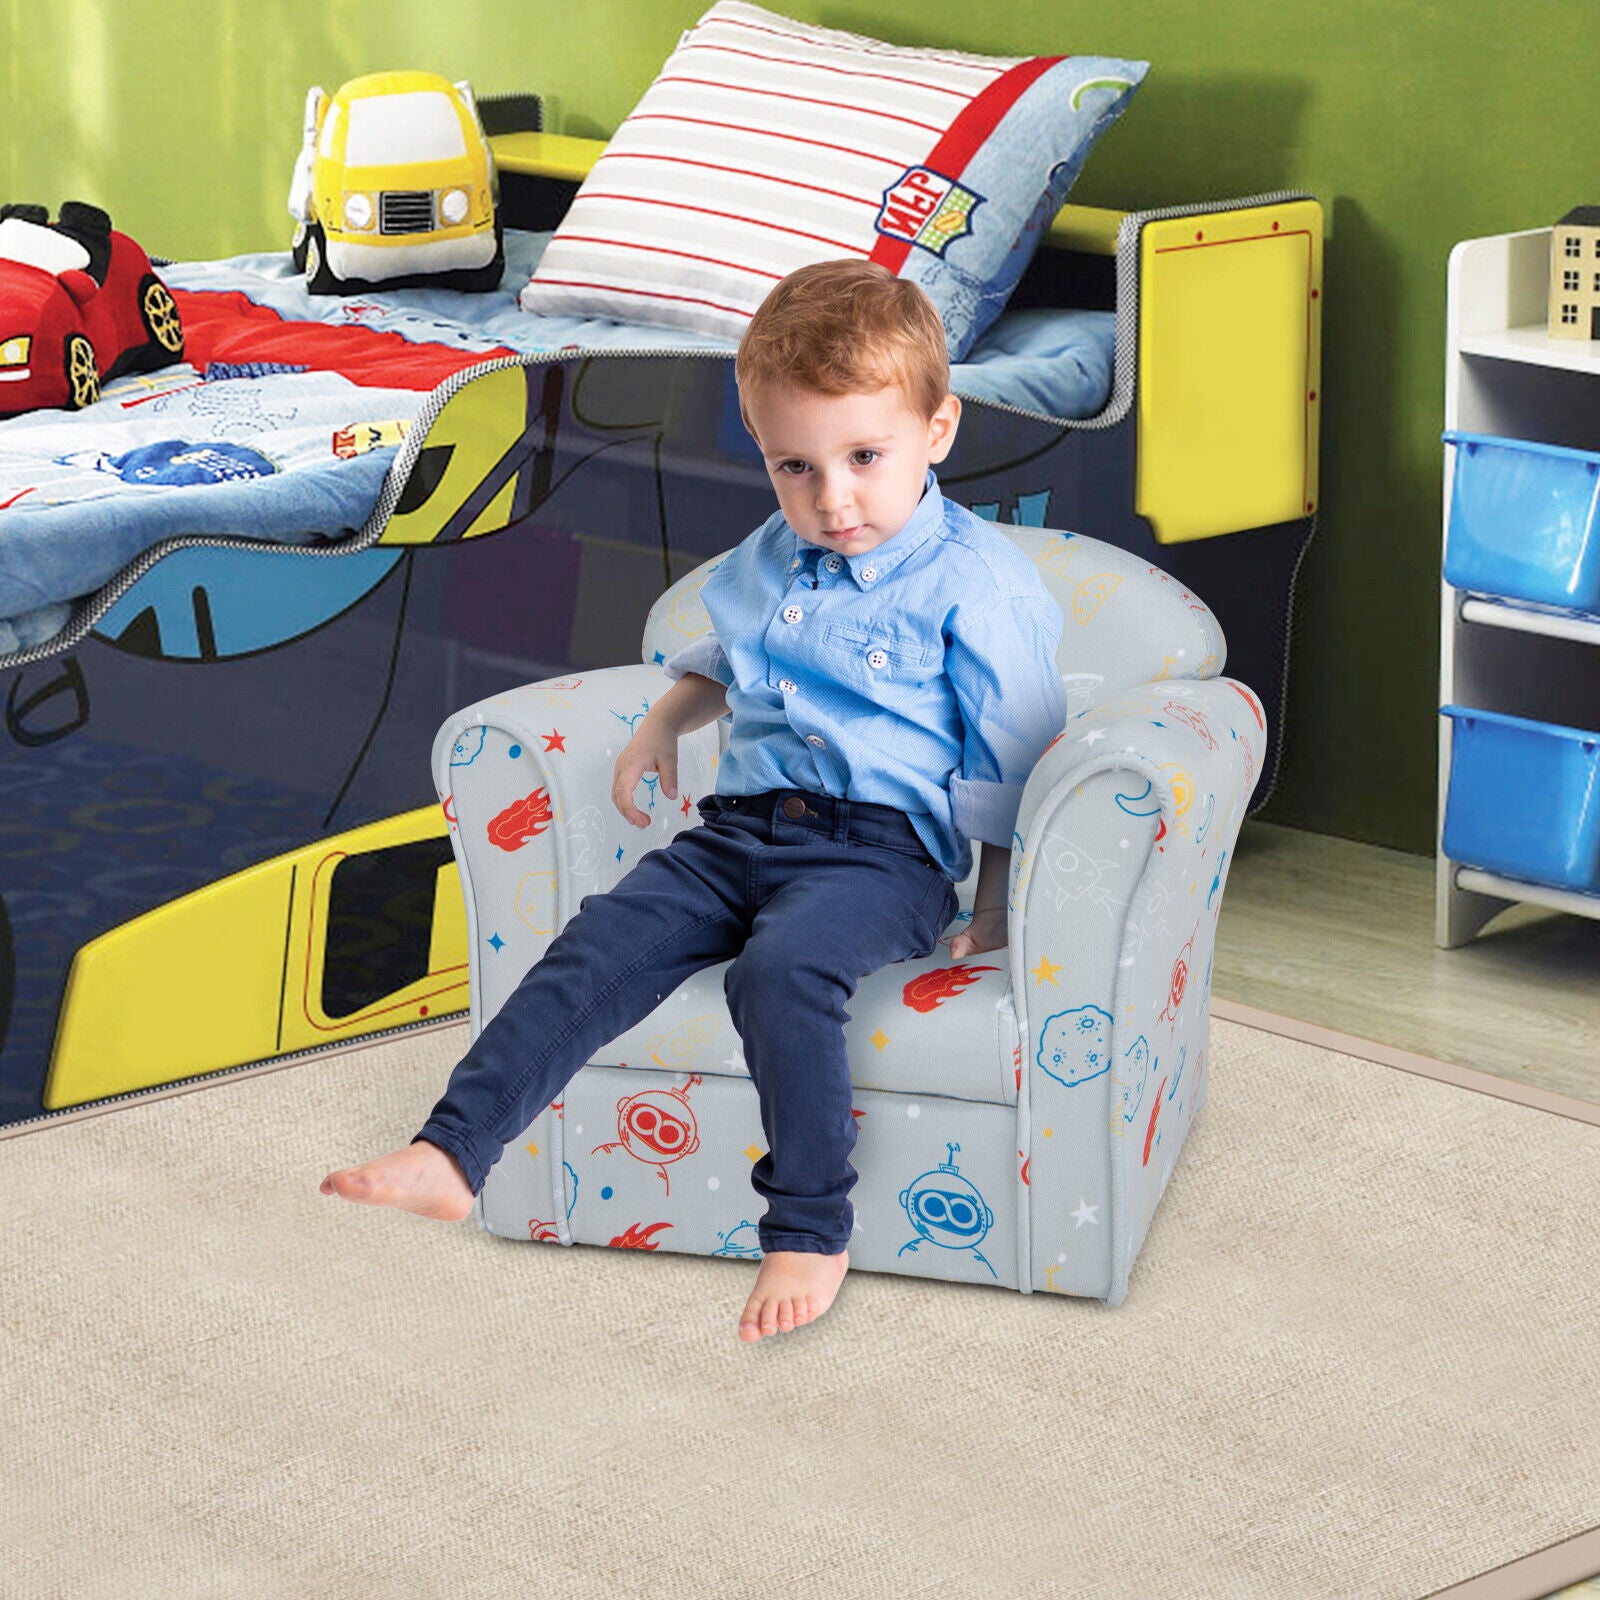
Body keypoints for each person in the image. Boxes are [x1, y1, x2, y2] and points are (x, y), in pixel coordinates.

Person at [319, 258, 1067, 1342]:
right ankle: (452, 1149)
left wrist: (994, 903)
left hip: (880, 855)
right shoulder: (780, 547)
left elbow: (1013, 751)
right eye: (794, 467)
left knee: (785, 969)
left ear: (936, 429)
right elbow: (742, 644)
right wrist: (668, 719)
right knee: (597, 945)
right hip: (736, 833)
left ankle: (809, 1225)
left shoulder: (976, 581)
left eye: (864, 458)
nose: (831, 497)